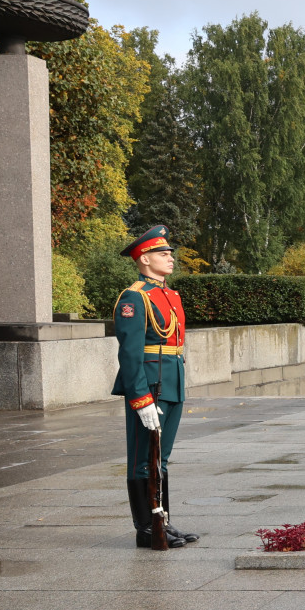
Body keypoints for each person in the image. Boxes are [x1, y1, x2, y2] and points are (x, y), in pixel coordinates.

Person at [114, 225, 200, 549]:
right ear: (145, 259)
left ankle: (161, 519)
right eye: (163, 254)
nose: (170, 258)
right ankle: (146, 528)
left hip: (172, 381)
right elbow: (131, 354)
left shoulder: (170, 295)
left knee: (160, 459)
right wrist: (140, 398)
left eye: (170, 253)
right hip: (149, 384)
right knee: (142, 459)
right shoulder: (134, 298)